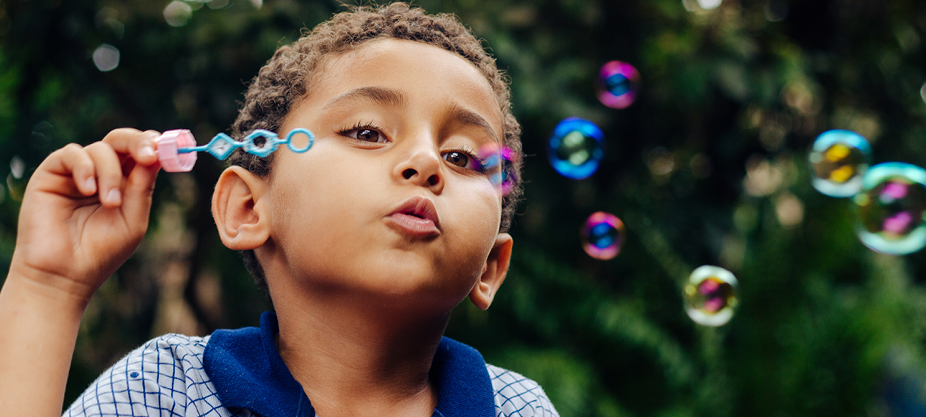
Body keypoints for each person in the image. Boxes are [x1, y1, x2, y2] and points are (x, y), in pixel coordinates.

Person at [0, 3, 559, 417]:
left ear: (490, 267)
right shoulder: (170, 390)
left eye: (462, 156)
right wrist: (48, 287)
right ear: (247, 208)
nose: (425, 162)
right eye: (368, 131)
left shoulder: (515, 407)